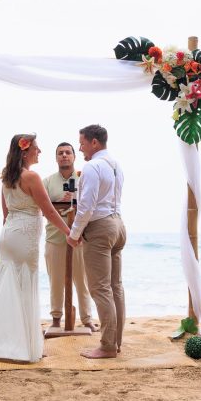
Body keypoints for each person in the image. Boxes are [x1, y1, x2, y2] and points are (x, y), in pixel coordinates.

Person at [0, 134, 71, 362]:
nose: (40, 152)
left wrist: (6, 239)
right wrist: (69, 233)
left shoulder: (7, 178)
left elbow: (5, 214)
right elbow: (48, 211)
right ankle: (21, 345)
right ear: (25, 151)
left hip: (9, 235)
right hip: (25, 238)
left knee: (6, 286)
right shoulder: (32, 177)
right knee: (24, 287)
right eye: (37, 148)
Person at [66, 125, 126, 359]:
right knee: (115, 287)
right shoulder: (116, 165)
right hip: (118, 225)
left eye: (81, 143)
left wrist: (74, 234)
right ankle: (116, 342)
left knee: (100, 289)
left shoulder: (92, 167)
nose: (79, 148)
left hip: (100, 228)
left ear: (94, 143)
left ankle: (108, 346)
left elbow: (86, 206)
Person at [43, 143, 98, 331]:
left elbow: (92, 205)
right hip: (54, 238)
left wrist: (75, 200)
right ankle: (56, 318)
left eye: (68, 152)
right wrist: (61, 203)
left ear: (74, 156)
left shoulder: (84, 178)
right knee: (56, 281)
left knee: (83, 281)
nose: (64, 155)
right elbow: (44, 209)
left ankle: (86, 318)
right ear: (56, 158)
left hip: (80, 239)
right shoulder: (48, 182)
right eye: (60, 153)